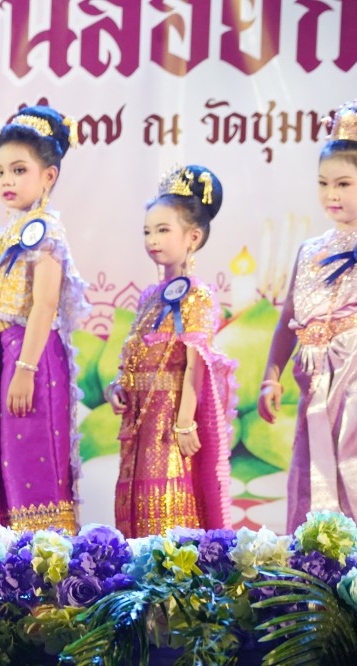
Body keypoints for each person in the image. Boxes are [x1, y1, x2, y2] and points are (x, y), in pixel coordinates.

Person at [0, 106, 89, 533]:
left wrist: (25, 369)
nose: (7, 181)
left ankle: (44, 560)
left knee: (30, 467)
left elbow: (45, 305)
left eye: (19, 170)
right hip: (6, 356)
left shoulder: (46, 231)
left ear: (48, 176)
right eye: (0, 171)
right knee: (6, 466)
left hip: (31, 358)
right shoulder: (7, 233)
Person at [106, 165, 236, 537]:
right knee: (136, 502)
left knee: (169, 504)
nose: (153, 240)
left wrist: (184, 422)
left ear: (193, 236)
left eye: (163, 230)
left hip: (171, 419)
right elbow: (135, 355)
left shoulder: (197, 294)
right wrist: (118, 386)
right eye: (147, 231)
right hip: (140, 420)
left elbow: (197, 364)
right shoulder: (149, 296)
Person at [259, 101, 357, 529]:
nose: (331, 195)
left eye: (343, 184)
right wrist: (271, 376)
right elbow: (288, 319)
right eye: (323, 183)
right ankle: (316, 563)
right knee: (312, 477)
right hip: (316, 383)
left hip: (353, 379)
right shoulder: (311, 250)